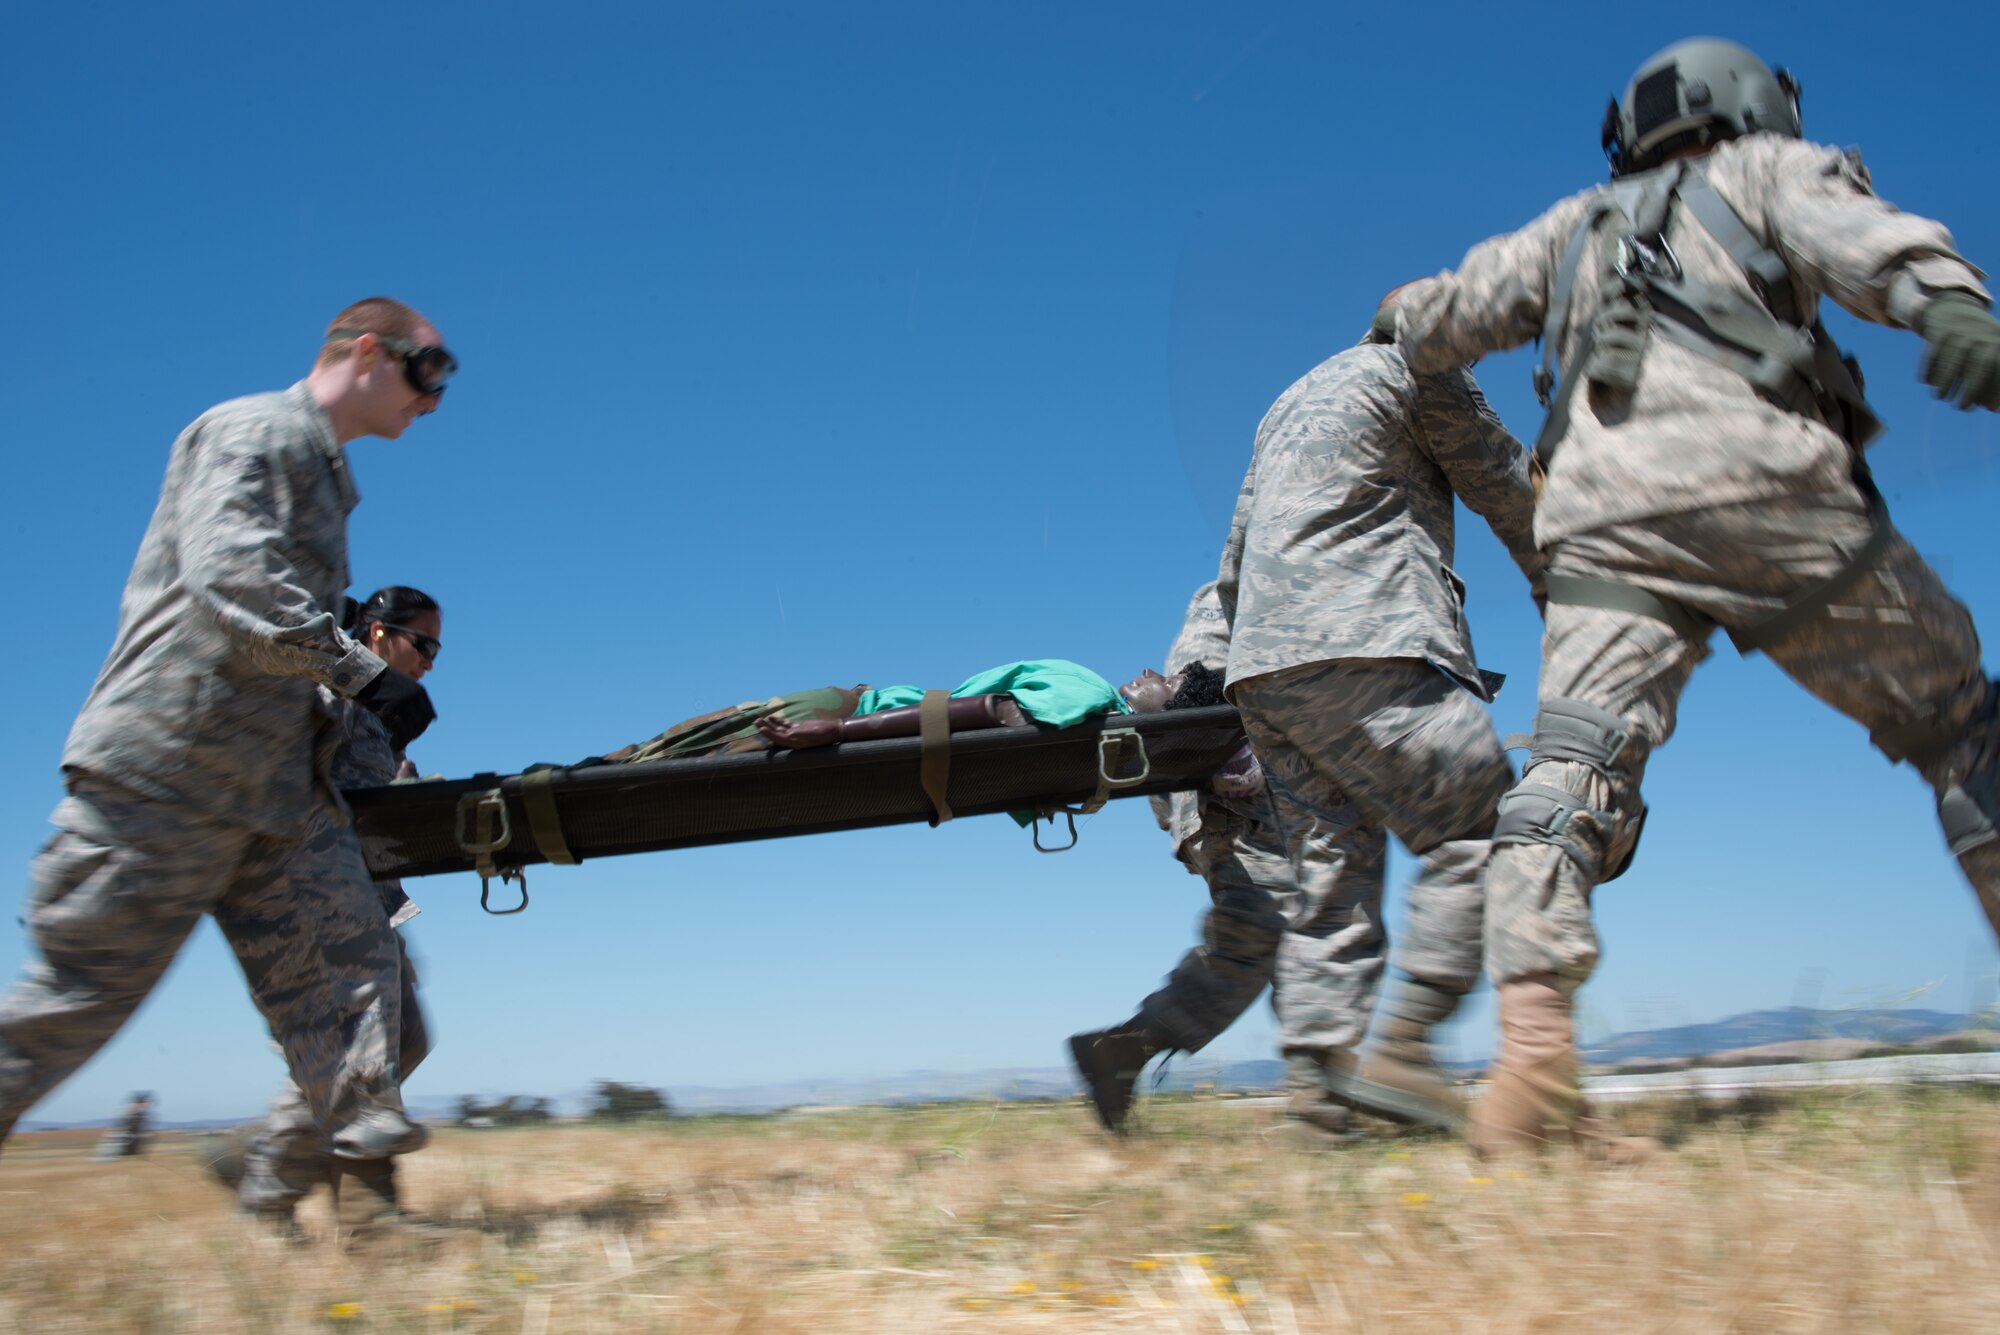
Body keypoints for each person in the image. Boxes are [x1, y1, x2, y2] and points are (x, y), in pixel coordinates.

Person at [1390, 37, 2000, 1156]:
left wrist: (1398, 320)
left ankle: (1528, 1078)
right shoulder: (1771, 171)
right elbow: (1868, 246)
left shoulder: (1568, 226)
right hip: (1773, 503)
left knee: (1564, 778)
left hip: (1603, 534)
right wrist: (1950, 304)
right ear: (1752, 103)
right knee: (1963, 728)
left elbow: (1438, 316)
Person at [0, 300, 455, 1233]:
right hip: (167, 775)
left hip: (275, 801)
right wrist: (364, 671)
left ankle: (370, 1225)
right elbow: (232, 574)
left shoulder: (332, 481)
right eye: (429, 371)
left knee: (365, 992)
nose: (436, 400)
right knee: (72, 1008)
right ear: (368, 351)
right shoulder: (250, 430)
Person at [1215, 319, 1545, 1134]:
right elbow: (1507, 485)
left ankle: (1317, 1096)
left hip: (1264, 667)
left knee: (1331, 880)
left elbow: (1232, 562)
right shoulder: (1424, 365)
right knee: (1482, 826)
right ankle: (1408, 1048)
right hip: (1366, 638)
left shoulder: (1288, 400)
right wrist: (1570, 595)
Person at [231, 587, 443, 1236]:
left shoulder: (379, 709)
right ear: (377, 634)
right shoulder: (335, 683)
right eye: (423, 645)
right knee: (366, 1047)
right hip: (317, 893)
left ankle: (263, 1168)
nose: (430, 663)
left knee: (401, 1037)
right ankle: (328, 1207)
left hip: (365, 893)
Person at [1066, 583, 1303, 1135]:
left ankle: (1123, 1050)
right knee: (1291, 929)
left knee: (1260, 942)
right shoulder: (1256, 589)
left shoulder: (1251, 593)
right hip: (1238, 794)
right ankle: (1327, 1093)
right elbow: (1191, 705)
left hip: (1231, 796)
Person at [93, 1091, 153, 1160]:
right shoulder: (128, 1113)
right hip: (119, 1142)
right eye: (143, 1103)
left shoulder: (140, 1115)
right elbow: (118, 1128)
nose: (146, 1105)